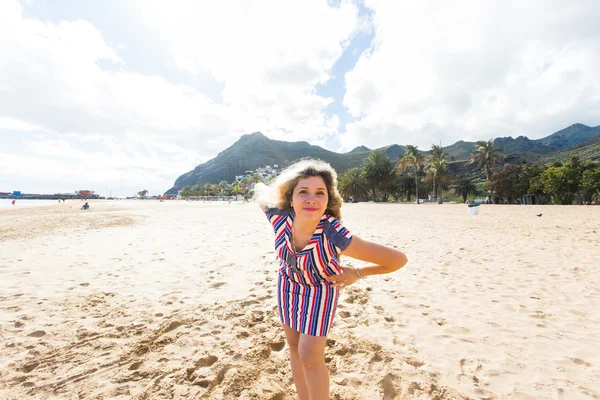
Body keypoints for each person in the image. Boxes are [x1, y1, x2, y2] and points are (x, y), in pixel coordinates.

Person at [255, 159, 408, 400]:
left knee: (309, 355)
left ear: (328, 199)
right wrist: (271, 191)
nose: (311, 199)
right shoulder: (279, 217)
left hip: (320, 290)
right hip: (287, 284)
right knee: (294, 347)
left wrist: (356, 273)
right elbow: (260, 193)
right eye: (303, 192)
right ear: (291, 196)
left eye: (319, 193)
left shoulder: (333, 233)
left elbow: (397, 260)